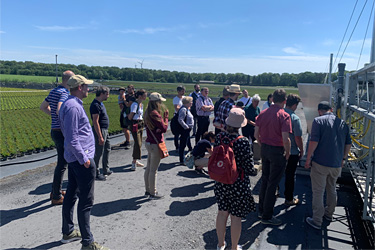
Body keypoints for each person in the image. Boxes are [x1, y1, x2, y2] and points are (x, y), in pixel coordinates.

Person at [59, 75, 109, 250]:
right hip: (81, 160)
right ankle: (87, 243)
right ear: (79, 87)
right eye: (87, 86)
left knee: (72, 194)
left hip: (74, 158)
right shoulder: (73, 107)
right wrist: (85, 159)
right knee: (86, 201)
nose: (89, 89)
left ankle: (68, 231)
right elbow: (72, 139)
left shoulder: (68, 104)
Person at [304, 101, 351, 230]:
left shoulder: (318, 121)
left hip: (320, 163)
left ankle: (317, 220)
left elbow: (314, 141)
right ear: (331, 109)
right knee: (332, 189)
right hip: (336, 164)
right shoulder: (342, 123)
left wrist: (308, 159)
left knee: (318, 191)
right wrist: (343, 158)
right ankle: (329, 214)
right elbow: (348, 144)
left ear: (319, 111)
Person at [214, 108, 256, 250]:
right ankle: (234, 247)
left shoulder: (219, 137)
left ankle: (220, 244)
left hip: (221, 181)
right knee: (236, 217)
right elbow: (249, 169)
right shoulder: (243, 142)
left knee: (222, 213)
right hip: (238, 183)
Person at [254, 89, 291, 226]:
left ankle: (261, 209)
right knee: (273, 183)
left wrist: (262, 143)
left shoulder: (263, 113)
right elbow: (286, 139)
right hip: (277, 150)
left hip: (265, 148)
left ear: (272, 99)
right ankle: (267, 215)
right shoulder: (284, 116)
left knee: (265, 179)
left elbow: (256, 134)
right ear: (284, 101)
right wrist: (287, 152)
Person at [40, 70, 75, 205]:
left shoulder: (54, 91)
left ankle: (56, 190)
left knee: (61, 162)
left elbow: (43, 107)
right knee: (62, 164)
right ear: (70, 81)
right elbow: (59, 109)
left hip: (54, 130)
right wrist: (63, 122)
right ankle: (56, 195)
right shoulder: (64, 93)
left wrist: (54, 118)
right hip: (61, 131)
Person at [144, 92, 169, 200]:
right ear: (156, 102)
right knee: (153, 170)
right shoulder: (155, 114)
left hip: (149, 141)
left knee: (149, 168)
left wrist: (159, 127)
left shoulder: (147, 112)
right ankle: (152, 193)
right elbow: (164, 128)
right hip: (155, 143)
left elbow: (160, 128)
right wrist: (166, 118)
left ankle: (147, 190)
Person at [283, 94, 304, 206]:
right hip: (292, 151)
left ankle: (274, 194)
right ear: (295, 105)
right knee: (290, 175)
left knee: (276, 174)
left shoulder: (279, 114)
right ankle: (289, 198)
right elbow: (298, 137)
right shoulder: (295, 118)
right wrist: (302, 150)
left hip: (278, 150)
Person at [90, 86, 111, 181]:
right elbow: (95, 122)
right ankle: (95, 172)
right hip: (100, 130)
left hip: (105, 130)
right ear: (102, 94)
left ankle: (106, 169)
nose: (108, 96)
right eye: (107, 94)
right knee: (98, 152)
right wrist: (100, 136)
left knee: (107, 149)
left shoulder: (100, 104)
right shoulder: (95, 105)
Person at [128, 89, 147, 171]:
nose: (146, 97)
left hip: (140, 123)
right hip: (135, 124)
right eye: (144, 95)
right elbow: (130, 117)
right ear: (140, 96)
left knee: (139, 142)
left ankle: (136, 160)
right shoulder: (135, 105)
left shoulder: (141, 104)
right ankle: (134, 161)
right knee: (138, 143)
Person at [178, 96, 194, 164]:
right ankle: (181, 160)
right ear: (187, 103)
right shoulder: (183, 110)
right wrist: (186, 127)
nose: (192, 103)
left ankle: (183, 159)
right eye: (191, 102)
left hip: (187, 129)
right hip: (185, 130)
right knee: (183, 145)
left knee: (185, 143)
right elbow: (180, 119)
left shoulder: (186, 109)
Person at [121, 85, 136, 149]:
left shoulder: (133, 97)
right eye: (128, 89)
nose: (129, 90)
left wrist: (124, 99)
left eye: (130, 89)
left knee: (126, 127)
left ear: (133, 89)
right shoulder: (127, 96)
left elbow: (128, 105)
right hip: (124, 112)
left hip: (128, 113)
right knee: (124, 127)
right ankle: (127, 140)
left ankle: (128, 142)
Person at [173, 85, 186, 150]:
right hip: (177, 116)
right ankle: (177, 147)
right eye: (182, 91)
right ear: (178, 91)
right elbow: (177, 108)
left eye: (184, 91)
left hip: (184, 116)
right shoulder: (176, 99)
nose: (183, 92)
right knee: (177, 133)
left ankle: (182, 145)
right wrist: (184, 109)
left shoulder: (184, 98)